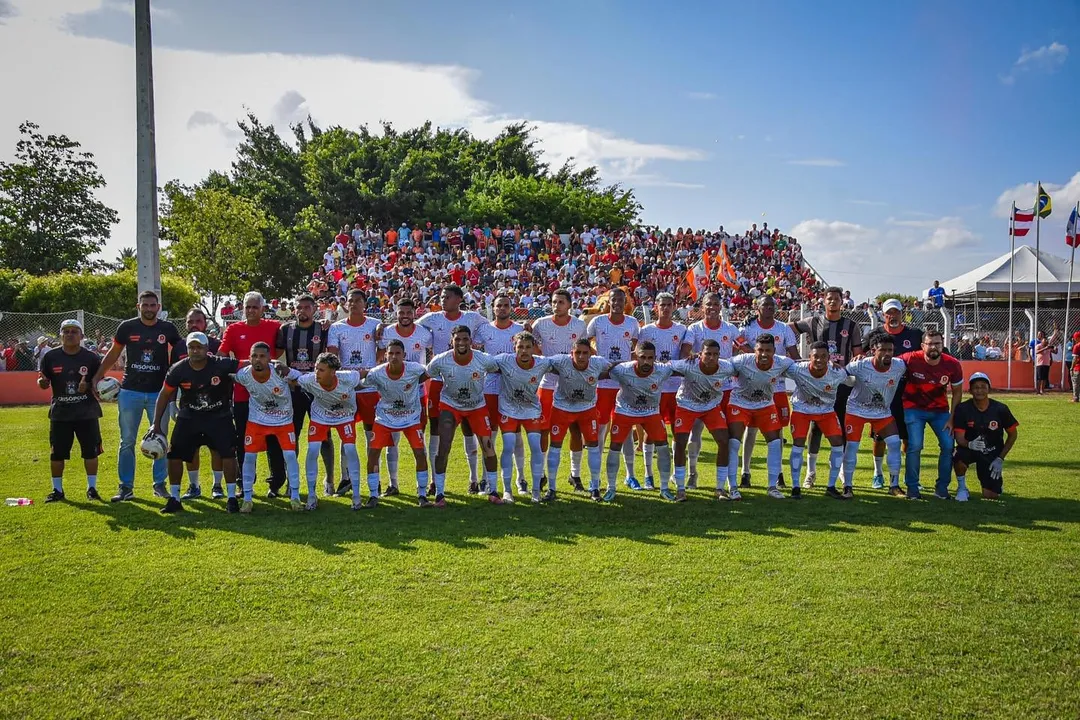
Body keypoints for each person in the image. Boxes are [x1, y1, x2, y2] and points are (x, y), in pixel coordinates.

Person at [92, 290, 182, 502]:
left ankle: (160, 485)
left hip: (159, 393)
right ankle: (125, 487)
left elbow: (179, 354)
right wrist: (97, 377)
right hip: (129, 391)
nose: (149, 309)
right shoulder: (127, 327)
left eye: (153, 305)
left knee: (160, 439)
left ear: (158, 307)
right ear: (138, 306)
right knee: (127, 441)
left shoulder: (167, 329)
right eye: (145, 305)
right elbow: (114, 352)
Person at [148, 333, 239, 514]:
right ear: (187, 349)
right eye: (192, 347)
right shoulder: (178, 369)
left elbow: (245, 365)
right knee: (174, 455)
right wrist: (155, 423)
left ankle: (231, 498)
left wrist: (271, 364)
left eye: (199, 347)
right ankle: (174, 498)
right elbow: (164, 394)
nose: (195, 351)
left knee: (228, 454)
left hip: (219, 416)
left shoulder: (220, 363)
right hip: (189, 417)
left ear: (207, 349)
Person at [789, 285, 863, 489]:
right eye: (829, 298)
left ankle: (839, 469)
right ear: (823, 301)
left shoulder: (852, 325)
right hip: (816, 381)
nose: (832, 302)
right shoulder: (813, 321)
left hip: (841, 382)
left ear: (842, 302)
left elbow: (858, 354)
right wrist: (796, 356)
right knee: (816, 426)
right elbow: (787, 330)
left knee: (841, 425)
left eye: (836, 299)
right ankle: (811, 472)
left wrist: (849, 367)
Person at [416, 285, 488, 493]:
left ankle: (473, 478)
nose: (443, 300)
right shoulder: (432, 318)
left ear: (458, 299)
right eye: (442, 297)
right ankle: (433, 479)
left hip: (466, 377)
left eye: (447, 297)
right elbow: (412, 327)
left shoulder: (473, 318)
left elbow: (489, 328)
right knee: (436, 429)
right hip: (439, 379)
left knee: (469, 429)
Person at [425, 325, 501, 506]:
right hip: (450, 406)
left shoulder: (483, 359)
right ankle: (440, 494)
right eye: (457, 339)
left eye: (465, 339)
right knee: (444, 447)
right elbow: (424, 376)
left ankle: (494, 491)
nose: (461, 342)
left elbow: (501, 370)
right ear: (451, 341)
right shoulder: (440, 360)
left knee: (488, 446)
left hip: (477, 406)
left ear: (471, 341)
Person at [219, 291, 282, 495]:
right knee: (243, 439)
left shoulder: (275, 326)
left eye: (255, 307)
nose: (251, 310)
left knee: (273, 438)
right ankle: (244, 483)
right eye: (248, 307)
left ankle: (275, 484)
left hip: (270, 395)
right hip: (243, 395)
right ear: (242, 308)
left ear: (263, 308)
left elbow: (286, 343)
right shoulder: (233, 329)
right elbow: (222, 356)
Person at [275, 293, 336, 496]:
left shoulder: (323, 329)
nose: (302, 311)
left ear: (314, 309)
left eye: (306, 307)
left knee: (325, 435)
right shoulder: (285, 330)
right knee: (292, 436)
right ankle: (291, 482)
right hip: (294, 391)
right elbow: (276, 355)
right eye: (298, 307)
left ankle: (329, 480)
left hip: (318, 391)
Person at [737, 295, 800, 488]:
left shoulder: (783, 328)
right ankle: (745, 472)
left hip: (778, 387)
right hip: (753, 385)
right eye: (765, 304)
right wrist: (752, 354)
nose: (769, 308)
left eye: (772, 305)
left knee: (778, 431)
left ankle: (778, 472)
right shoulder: (747, 327)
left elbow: (794, 355)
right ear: (757, 308)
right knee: (751, 428)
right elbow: (738, 343)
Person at [529, 289, 588, 492]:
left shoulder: (579, 325)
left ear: (569, 304)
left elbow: (586, 349)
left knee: (576, 429)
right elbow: (532, 346)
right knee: (544, 429)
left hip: (573, 384)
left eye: (561, 302)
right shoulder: (541, 324)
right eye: (554, 301)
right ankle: (543, 474)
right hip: (548, 384)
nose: (557, 305)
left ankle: (575, 474)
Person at [38, 319, 103, 502]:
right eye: (66, 331)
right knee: (57, 454)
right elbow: (43, 381)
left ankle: (92, 489)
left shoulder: (91, 357)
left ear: (81, 336)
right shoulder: (50, 357)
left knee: (91, 452)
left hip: (86, 412)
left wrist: (89, 385)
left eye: (74, 331)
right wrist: (41, 383)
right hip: (61, 413)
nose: (70, 334)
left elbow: (100, 384)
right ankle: (57, 491)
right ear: (60, 335)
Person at [232, 343, 303, 512]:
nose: (258, 360)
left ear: (269, 358)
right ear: (249, 358)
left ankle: (295, 498)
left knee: (290, 457)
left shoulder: (280, 372)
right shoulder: (244, 374)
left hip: (283, 422)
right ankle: (247, 499)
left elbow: (301, 379)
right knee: (249, 457)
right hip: (256, 421)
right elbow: (230, 376)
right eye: (254, 356)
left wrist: (290, 373)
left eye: (262, 356)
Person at [360, 339, 430, 507]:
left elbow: (428, 373)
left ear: (404, 355)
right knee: (373, 454)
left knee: (420, 453)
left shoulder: (415, 369)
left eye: (398, 353)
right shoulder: (377, 373)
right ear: (385, 356)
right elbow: (361, 383)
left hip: (411, 418)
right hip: (385, 418)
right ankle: (373, 495)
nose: (394, 357)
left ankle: (422, 494)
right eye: (390, 353)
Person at [375, 297, 434, 495]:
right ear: (396, 313)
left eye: (408, 312)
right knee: (392, 440)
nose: (405, 316)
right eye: (401, 312)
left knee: (419, 439)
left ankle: (425, 486)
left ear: (414, 313)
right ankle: (393, 484)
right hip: (390, 392)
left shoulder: (424, 333)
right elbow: (380, 356)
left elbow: (431, 359)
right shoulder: (388, 332)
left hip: (416, 393)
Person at [726, 334, 795, 499]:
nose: (764, 354)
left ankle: (772, 487)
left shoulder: (782, 362)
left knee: (775, 442)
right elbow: (719, 366)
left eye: (768, 350)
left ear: (774, 351)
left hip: (765, 405)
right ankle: (733, 487)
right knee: (734, 442)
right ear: (754, 350)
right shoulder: (742, 360)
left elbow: (803, 368)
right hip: (740, 404)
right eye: (760, 350)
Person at [684, 292, 741, 489]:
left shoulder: (730, 329)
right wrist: (693, 356)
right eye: (709, 304)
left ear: (721, 306)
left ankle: (728, 478)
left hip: (726, 389)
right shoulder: (694, 329)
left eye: (716, 304)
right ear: (702, 308)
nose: (712, 308)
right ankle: (692, 472)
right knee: (694, 434)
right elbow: (686, 352)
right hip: (700, 388)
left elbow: (747, 347)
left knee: (730, 436)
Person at [603, 341, 674, 502]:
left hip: (650, 412)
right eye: (643, 357)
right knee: (614, 447)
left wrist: (695, 358)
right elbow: (600, 370)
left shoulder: (663, 369)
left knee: (663, 446)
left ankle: (664, 488)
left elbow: (685, 367)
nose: (647, 362)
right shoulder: (623, 369)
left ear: (656, 358)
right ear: (635, 356)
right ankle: (611, 488)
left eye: (651, 358)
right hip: (625, 411)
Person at [326, 288, 381, 495]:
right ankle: (345, 478)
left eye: (358, 300)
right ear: (346, 304)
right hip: (346, 387)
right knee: (346, 432)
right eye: (351, 300)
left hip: (369, 387)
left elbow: (383, 349)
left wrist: (371, 368)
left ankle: (374, 478)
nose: (354, 304)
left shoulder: (375, 325)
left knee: (371, 433)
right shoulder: (337, 328)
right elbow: (332, 355)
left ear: (365, 304)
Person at [897, 330, 964, 499]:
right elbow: (887, 363)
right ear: (922, 346)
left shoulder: (953, 364)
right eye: (930, 344)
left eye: (938, 343)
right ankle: (912, 488)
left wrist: (952, 417)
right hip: (913, 409)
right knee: (915, 445)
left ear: (942, 345)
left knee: (948, 445)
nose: (934, 347)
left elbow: (957, 393)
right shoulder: (910, 358)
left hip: (940, 411)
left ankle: (942, 488)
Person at [586, 286, 641, 489]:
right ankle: (596, 476)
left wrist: (629, 366)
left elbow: (637, 350)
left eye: (621, 299)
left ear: (625, 301)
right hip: (602, 383)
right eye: (613, 300)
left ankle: (630, 474)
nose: (617, 303)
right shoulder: (598, 321)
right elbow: (585, 342)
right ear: (608, 301)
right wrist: (597, 359)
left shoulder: (633, 323)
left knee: (625, 430)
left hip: (624, 384)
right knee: (600, 430)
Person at [292, 353, 364, 510]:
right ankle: (312, 496)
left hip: (344, 415)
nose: (317, 373)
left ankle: (357, 496)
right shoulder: (309, 379)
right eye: (316, 369)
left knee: (350, 449)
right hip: (320, 416)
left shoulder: (349, 377)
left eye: (322, 370)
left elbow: (366, 373)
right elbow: (293, 379)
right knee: (312, 450)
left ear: (333, 372)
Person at [864, 299, 922, 490]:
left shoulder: (914, 335)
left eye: (896, 312)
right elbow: (862, 355)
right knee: (879, 437)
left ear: (901, 313)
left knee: (907, 438)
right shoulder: (875, 335)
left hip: (908, 393)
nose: (893, 316)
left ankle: (907, 477)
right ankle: (877, 474)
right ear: (883, 315)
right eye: (889, 313)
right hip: (882, 393)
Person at [782, 341, 851, 499]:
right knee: (798, 445)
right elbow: (779, 366)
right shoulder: (797, 369)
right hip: (801, 410)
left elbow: (852, 380)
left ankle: (831, 486)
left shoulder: (837, 373)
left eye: (823, 356)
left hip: (826, 410)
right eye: (816, 356)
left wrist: (843, 368)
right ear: (809, 357)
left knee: (838, 443)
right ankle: (795, 487)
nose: (819, 360)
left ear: (829, 358)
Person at [842, 333, 908, 498]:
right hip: (856, 410)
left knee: (894, 443)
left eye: (890, 350)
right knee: (852, 447)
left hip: (882, 412)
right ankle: (847, 486)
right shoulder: (859, 365)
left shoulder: (900, 365)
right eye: (883, 350)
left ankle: (894, 485)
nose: (887, 354)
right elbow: (841, 376)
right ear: (873, 350)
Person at [169, 307, 225, 500]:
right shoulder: (179, 347)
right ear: (185, 324)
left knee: (216, 448)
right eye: (190, 321)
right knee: (189, 449)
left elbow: (227, 375)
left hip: (215, 407)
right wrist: (171, 403)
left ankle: (217, 486)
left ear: (205, 323)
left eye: (198, 321)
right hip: (189, 407)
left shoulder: (217, 344)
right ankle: (194, 486)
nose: (194, 324)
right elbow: (172, 377)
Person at [491, 332, 553, 502]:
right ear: (514, 348)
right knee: (509, 446)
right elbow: (483, 362)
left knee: (535, 446)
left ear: (534, 348)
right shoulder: (504, 360)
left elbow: (565, 364)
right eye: (520, 347)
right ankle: (507, 491)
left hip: (531, 410)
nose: (524, 351)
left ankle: (535, 491)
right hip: (509, 409)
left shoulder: (543, 363)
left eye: (527, 347)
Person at [669, 340, 734, 501]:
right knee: (681, 441)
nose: (711, 357)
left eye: (715, 354)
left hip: (711, 406)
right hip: (686, 405)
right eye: (708, 354)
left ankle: (720, 488)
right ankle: (680, 488)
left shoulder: (727, 367)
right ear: (700, 354)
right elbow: (667, 366)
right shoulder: (688, 365)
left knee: (724, 441)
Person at [546, 339, 610, 501]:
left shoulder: (598, 363)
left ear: (591, 354)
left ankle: (595, 488)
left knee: (593, 445)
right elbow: (539, 362)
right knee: (555, 445)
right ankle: (551, 489)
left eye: (585, 353)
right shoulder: (561, 361)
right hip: (561, 408)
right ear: (571, 353)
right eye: (577, 353)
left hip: (586, 409)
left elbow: (618, 367)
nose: (581, 356)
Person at [474, 294, 527, 493]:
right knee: (489, 433)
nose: (502, 309)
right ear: (493, 308)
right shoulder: (484, 330)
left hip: (513, 386)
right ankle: (486, 478)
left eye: (506, 305)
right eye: (499, 306)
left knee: (515, 434)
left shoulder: (518, 329)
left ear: (511, 308)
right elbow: (475, 350)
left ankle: (520, 478)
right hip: (489, 387)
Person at [637, 292, 688, 490]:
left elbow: (685, 354)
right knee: (652, 432)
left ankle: (676, 473)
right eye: (662, 305)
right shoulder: (647, 331)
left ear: (674, 306)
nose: (665, 308)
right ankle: (648, 475)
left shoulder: (681, 329)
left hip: (676, 388)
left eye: (669, 304)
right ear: (655, 308)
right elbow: (640, 356)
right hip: (654, 389)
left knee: (678, 432)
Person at [952, 373, 1018, 500]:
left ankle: (995, 485)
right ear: (970, 390)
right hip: (970, 448)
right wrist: (969, 444)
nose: (979, 390)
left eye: (983, 387)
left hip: (991, 452)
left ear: (989, 389)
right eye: (976, 387)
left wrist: (1000, 458)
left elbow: (1013, 434)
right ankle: (961, 488)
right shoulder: (962, 408)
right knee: (957, 456)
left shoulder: (1001, 409)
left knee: (991, 496)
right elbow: (959, 437)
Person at [1070, 331, 1080, 403]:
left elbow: (1075, 358)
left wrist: (1071, 368)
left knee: (1076, 383)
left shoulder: (1077, 346)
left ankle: (1076, 398)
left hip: (1078, 367)